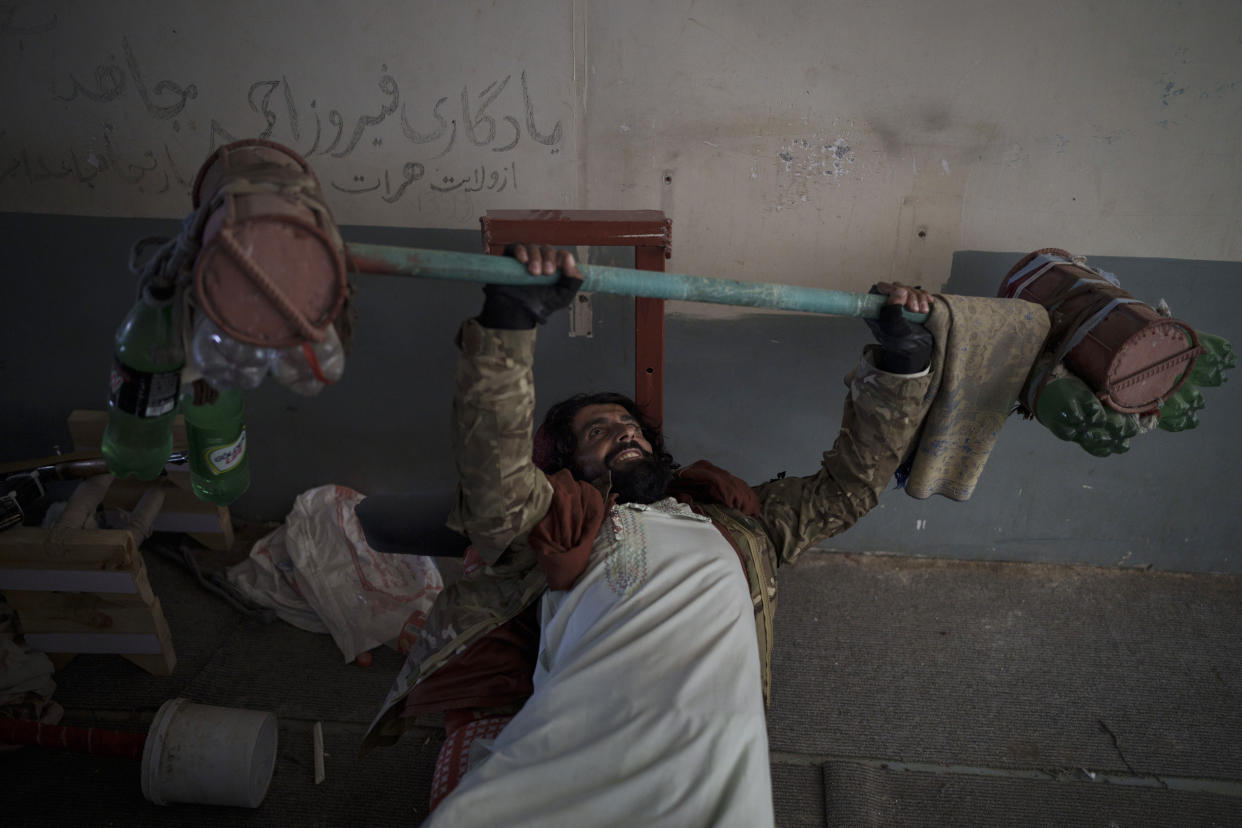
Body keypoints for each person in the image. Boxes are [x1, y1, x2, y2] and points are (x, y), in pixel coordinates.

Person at [362, 244, 936, 826]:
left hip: (709, 761)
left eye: (631, 425)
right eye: (599, 430)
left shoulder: (739, 520)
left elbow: (849, 490)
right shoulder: (554, 518)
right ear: (566, 462)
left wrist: (899, 365)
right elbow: (493, 473)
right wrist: (509, 323)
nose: (624, 431)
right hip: (577, 742)